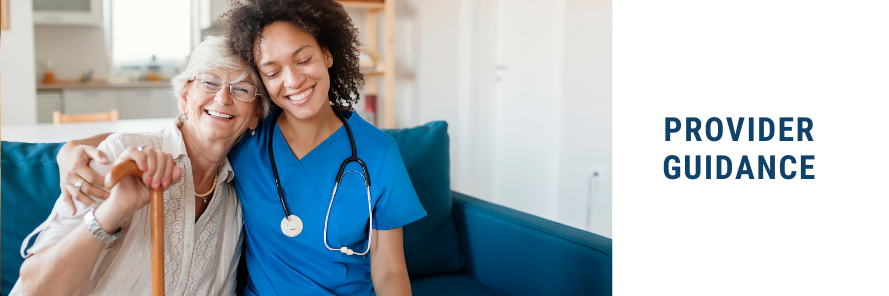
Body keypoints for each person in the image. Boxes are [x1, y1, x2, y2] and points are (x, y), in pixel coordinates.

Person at [56, 0, 426, 295]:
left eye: (304, 59)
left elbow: (391, 269)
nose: (293, 80)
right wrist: (73, 147)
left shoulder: (379, 155)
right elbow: (177, 133)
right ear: (263, 82)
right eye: (272, 70)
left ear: (327, 55)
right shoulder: (248, 135)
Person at [13, 36, 269, 296]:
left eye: (242, 88)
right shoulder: (119, 154)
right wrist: (116, 209)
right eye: (209, 82)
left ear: (255, 114)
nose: (223, 97)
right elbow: (35, 288)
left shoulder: (235, 202)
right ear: (184, 98)